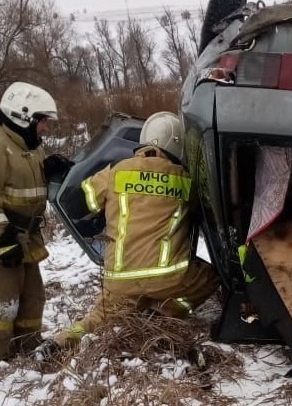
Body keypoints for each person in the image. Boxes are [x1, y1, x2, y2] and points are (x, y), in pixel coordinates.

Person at [41, 111, 219, 355]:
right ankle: (164, 314)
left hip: (120, 279)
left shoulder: (115, 173)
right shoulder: (186, 181)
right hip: (168, 279)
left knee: (98, 318)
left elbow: (73, 205)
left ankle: (60, 342)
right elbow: (210, 217)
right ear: (177, 145)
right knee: (211, 278)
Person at [0, 81, 70, 360]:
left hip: (26, 239)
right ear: (22, 117)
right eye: (43, 121)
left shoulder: (29, 145)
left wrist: (49, 172)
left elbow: (26, 186)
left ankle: (27, 347)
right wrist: (3, 239)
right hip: (3, 242)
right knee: (2, 305)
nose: (46, 128)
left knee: (32, 299)